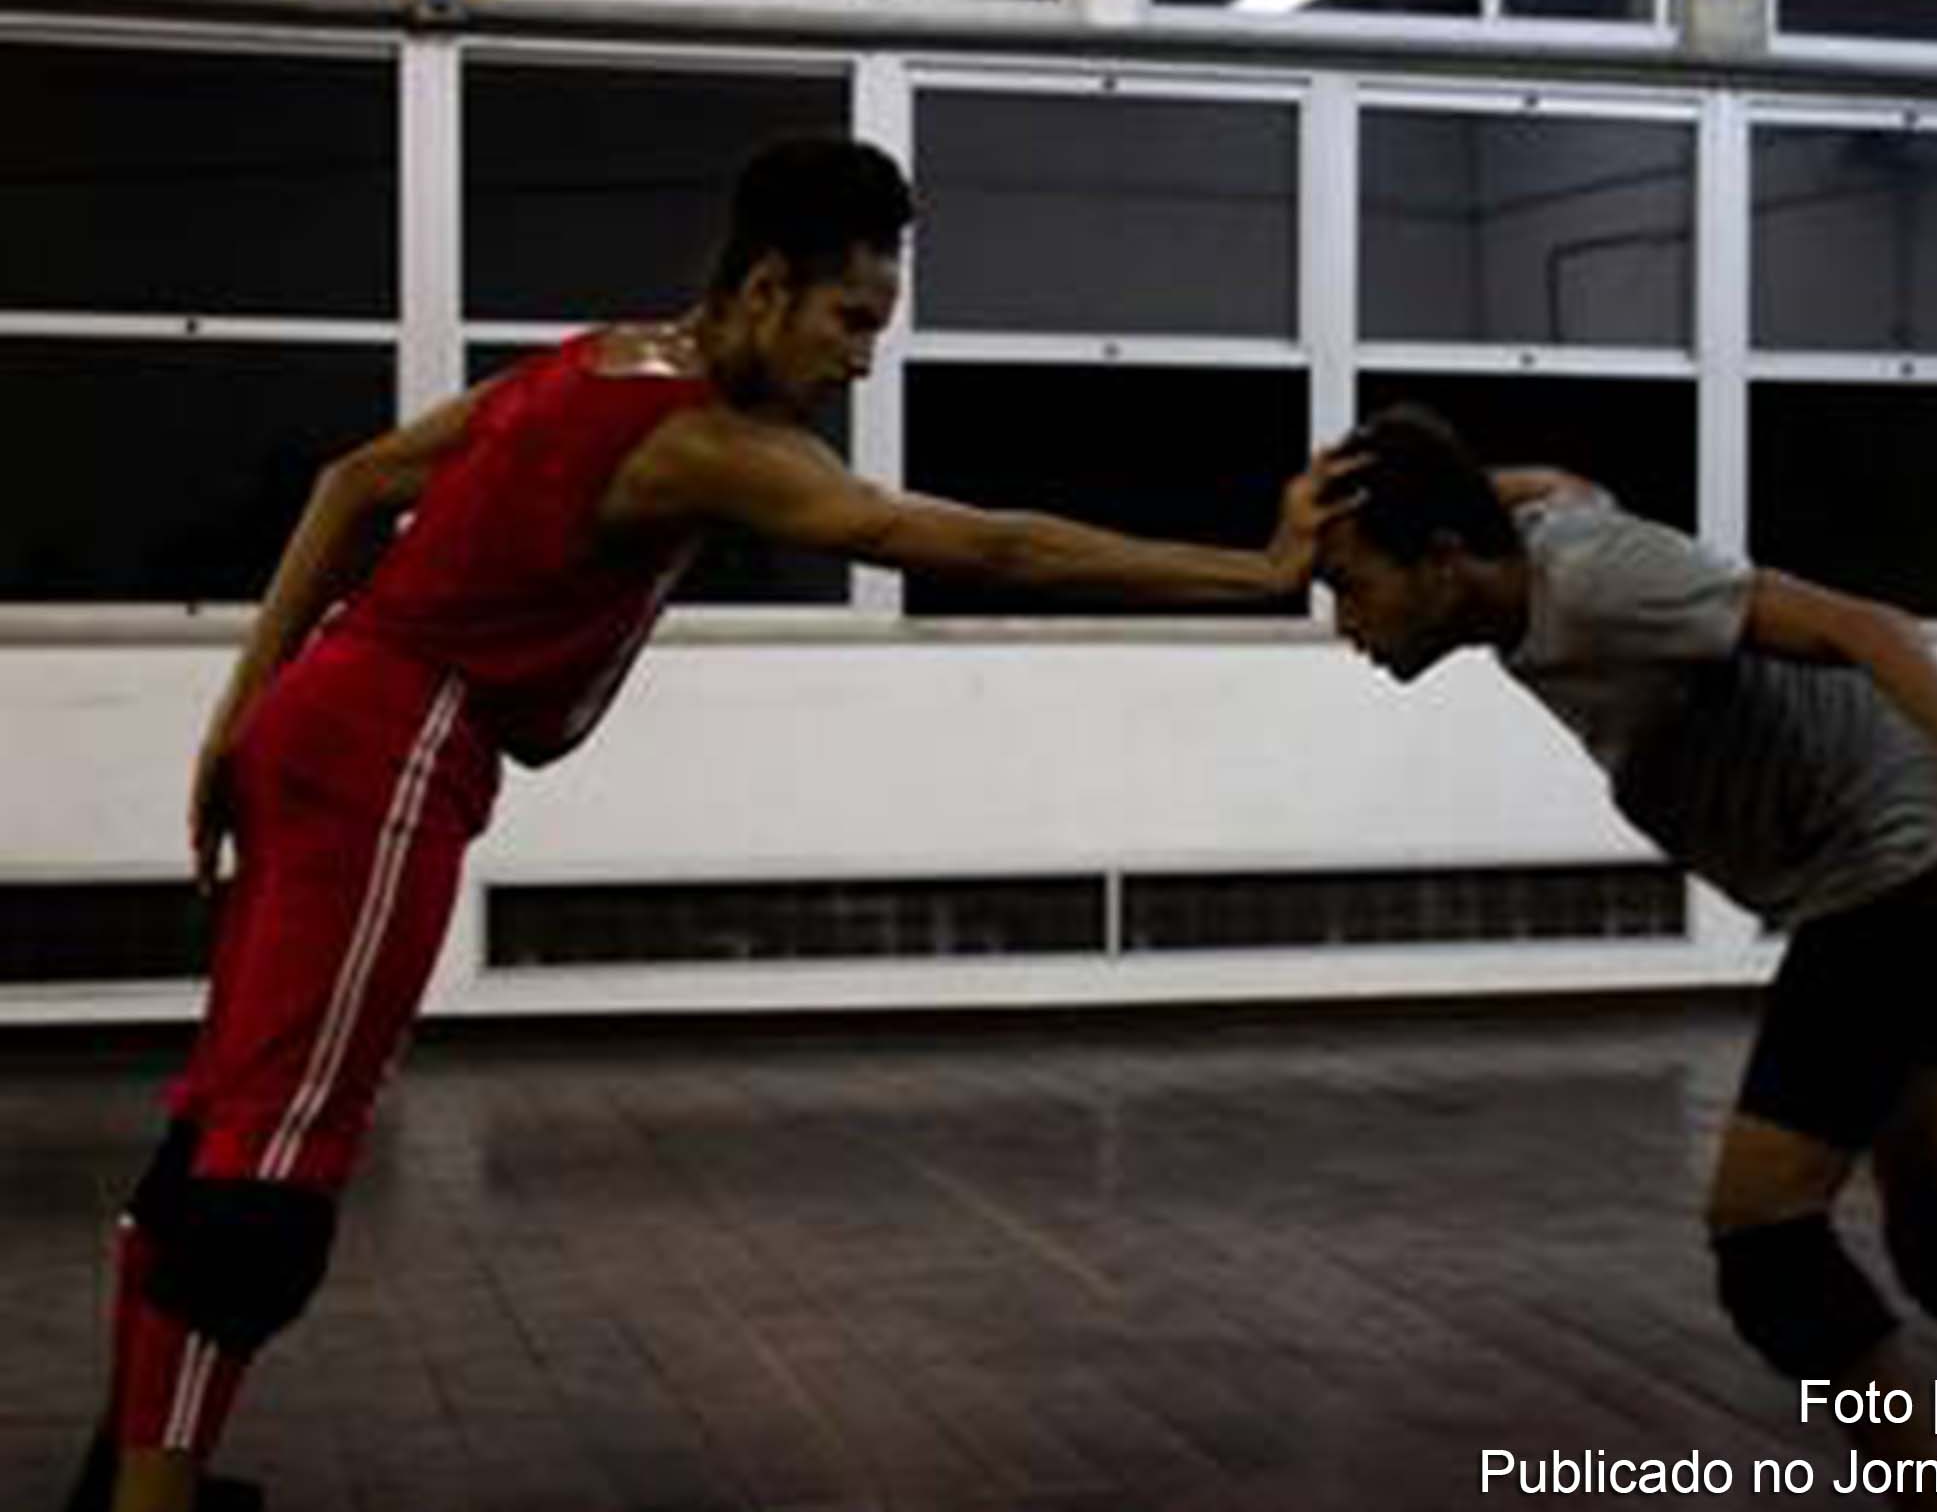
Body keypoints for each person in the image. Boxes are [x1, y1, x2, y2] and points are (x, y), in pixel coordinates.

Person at [70, 136, 1353, 1512]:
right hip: (390, 754)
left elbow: (351, 479)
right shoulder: (708, 444)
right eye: (850, 320)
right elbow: (987, 546)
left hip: (321, 724)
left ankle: (130, 1480)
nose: (862, 361)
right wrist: (1262, 571)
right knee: (265, 1187)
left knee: (216, 1136)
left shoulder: (599, 357)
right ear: (761, 288)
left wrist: (235, 720)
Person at [1307, 404, 1937, 1512]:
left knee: (1768, 1245)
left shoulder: (1603, 578)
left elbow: (1872, 627)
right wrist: (1350, 490)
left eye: (1355, 586)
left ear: (1447, 563)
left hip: (1887, 863)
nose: (1346, 624)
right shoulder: (1529, 544)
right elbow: (1552, 472)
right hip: (1892, 853)